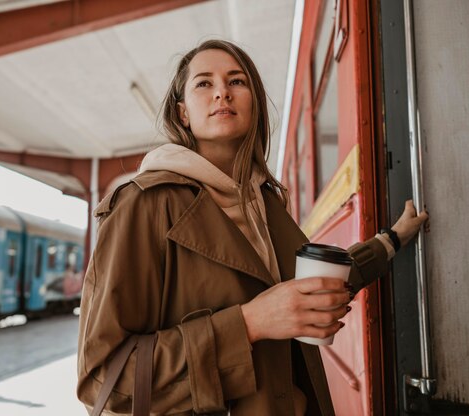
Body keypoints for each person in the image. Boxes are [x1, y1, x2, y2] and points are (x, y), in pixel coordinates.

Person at [77, 39, 428, 415]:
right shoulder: (143, 203)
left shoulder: (265, 201)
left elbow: (306, 289)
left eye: (236, 81)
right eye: (204, 84)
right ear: (182, 114)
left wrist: (390, 241)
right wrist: (248, 324)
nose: (222, 93)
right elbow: (103, 380)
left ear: (254, 103)